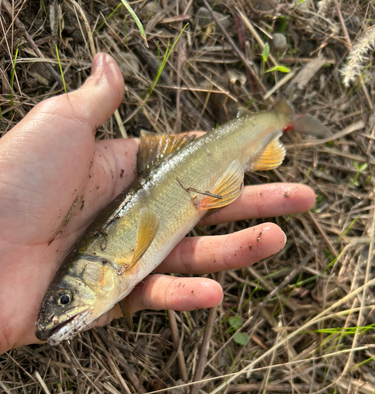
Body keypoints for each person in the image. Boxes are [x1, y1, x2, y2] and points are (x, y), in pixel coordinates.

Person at [0, 53, 316, 353]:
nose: (58, 315)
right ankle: (278, 117)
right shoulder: (108, 277)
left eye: (65, 298)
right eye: (64, 299)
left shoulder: (119, 266)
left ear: (94, 272)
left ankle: (278, 119)